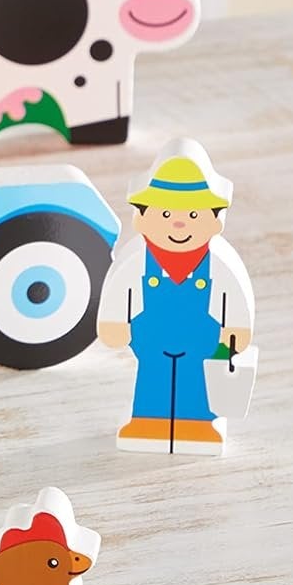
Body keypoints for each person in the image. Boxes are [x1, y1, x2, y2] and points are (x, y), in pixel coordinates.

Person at [96, 141, 253, 455]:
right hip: (150, 340)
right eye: (165, 213)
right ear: (141, 217)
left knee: (196, 383)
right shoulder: (138, 260)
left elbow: (234, 295)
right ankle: (146, 422)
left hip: (202, 342)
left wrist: (237, 329)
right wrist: (113, 322)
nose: (178, 224)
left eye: (193, 214)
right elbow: (119, 287)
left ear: (216, 219)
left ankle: (199, 425)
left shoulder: (217, 263)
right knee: (153, 378)